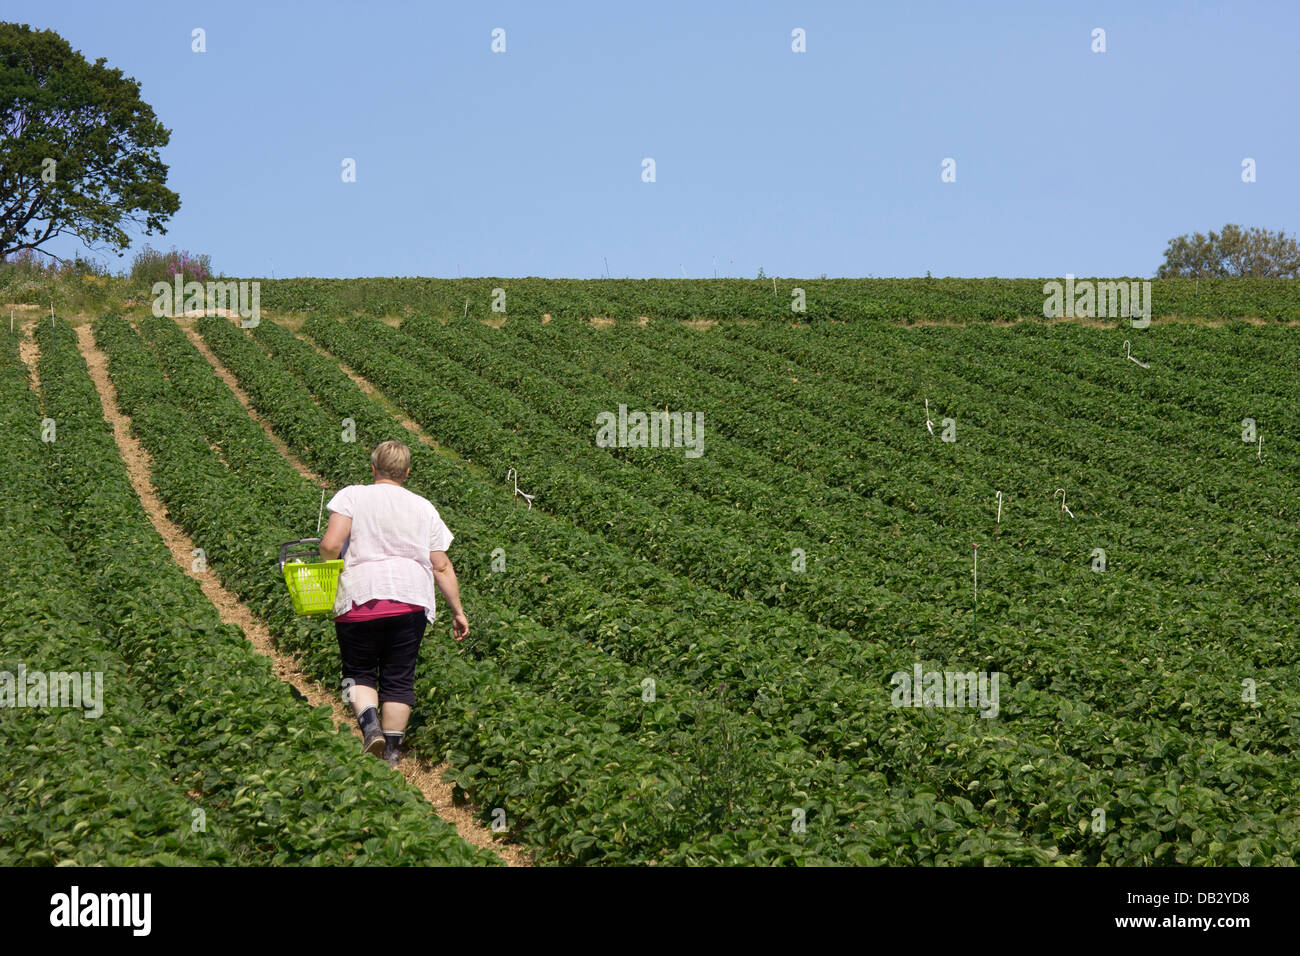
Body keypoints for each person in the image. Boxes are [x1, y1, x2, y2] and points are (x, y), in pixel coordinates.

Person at [319, 440, 469, 768]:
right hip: (410, 600)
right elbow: (441, 565)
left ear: (373, 468)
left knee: (359, 671)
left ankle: (370, 727)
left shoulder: (353, 495)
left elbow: (331, 543)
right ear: (407, 473)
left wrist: (329, 570)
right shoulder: (422, 507)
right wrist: (458, 611)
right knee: (399, 677)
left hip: (361, 597)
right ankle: (392, 755)